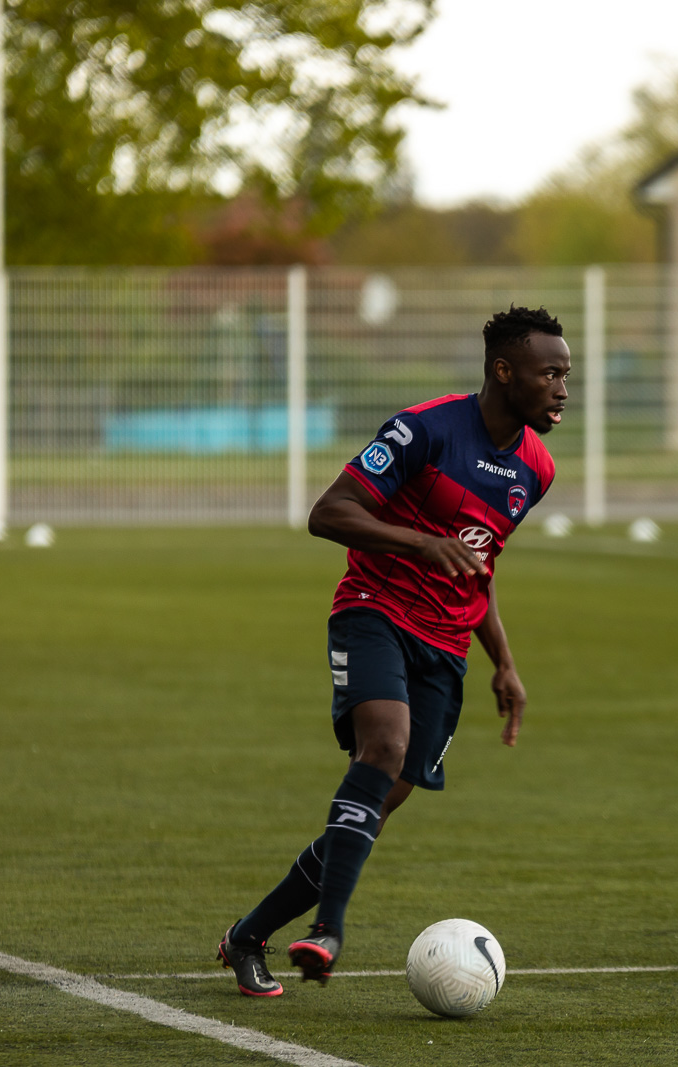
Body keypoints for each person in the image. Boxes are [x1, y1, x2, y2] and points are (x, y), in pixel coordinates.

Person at [217, 306, 569, 995]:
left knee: (375, 805)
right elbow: (329, 512)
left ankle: (247, 934)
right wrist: (417, 541)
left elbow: (479, 567)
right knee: (381, 748)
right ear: (504, 371)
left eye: (565, 374)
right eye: (549, 372)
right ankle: (330, 929)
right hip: (374, 611)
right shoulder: (425, 428)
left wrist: (504, 659)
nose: (561, 387)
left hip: (445, 646)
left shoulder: (536, 468)